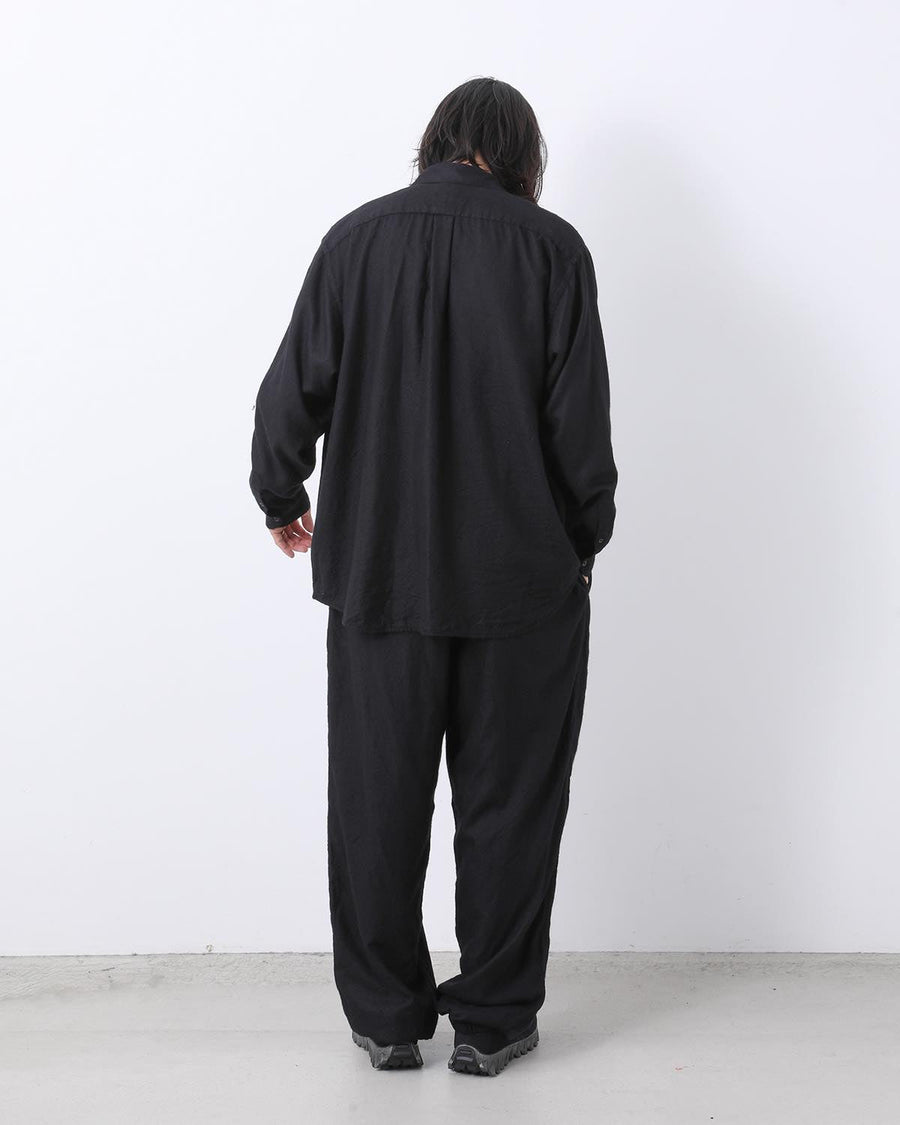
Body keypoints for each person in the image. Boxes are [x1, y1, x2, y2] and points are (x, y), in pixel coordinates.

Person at [249, 76, 617, 1077]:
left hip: (380, 581)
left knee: (376, 803)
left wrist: (281, 496)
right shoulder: (553, 250)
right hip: (523, 587)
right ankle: (492, 1023)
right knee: (511, 809)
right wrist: (583, 540)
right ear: (521, 154)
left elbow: (288, 397)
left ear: (438, 140)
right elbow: (580, 429)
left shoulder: (355, 241)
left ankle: (385, 1017)